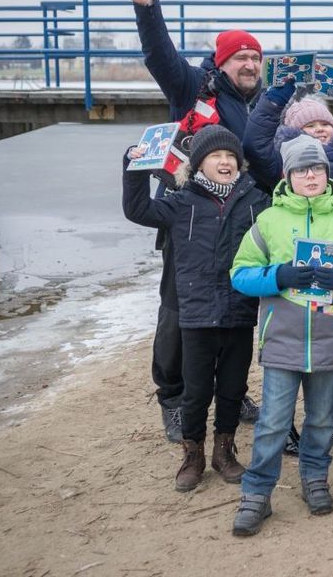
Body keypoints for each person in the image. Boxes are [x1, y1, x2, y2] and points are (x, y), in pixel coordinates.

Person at [105, 0, 265, 442]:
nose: (251, 66)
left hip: (236, 219)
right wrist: (147, 7)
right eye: (241, 59)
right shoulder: (193, 86)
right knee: (178, 311)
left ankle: (226, 390)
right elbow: (160, 55)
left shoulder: (262, 104)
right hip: (188, 217)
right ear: (222, 62)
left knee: (234, 307)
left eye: (256, 59)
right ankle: (172, 398)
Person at [229, 135, 333, 536]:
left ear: (327, 173)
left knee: (320, 422)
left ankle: (315, 479)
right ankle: (257, 494)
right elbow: (240, 272)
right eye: (301, 170)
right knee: (274, 423)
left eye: (316, 168)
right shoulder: (268, 221)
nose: (310, 176)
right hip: (282, 341)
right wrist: (277, 276)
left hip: (331, 341)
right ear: (287, 175)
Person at [121, 125, 267, 491]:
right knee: (196, 390)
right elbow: (137, 209)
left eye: (231, 157)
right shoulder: (180, 200)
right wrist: (132, 167)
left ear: (239, 164)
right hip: (196, 313)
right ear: (199, 163)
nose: (224, 162)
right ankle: (193, 455)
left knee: (233, 386)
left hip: (238, 310)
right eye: (216, 156)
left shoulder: (256, 201)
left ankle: (224, 452)